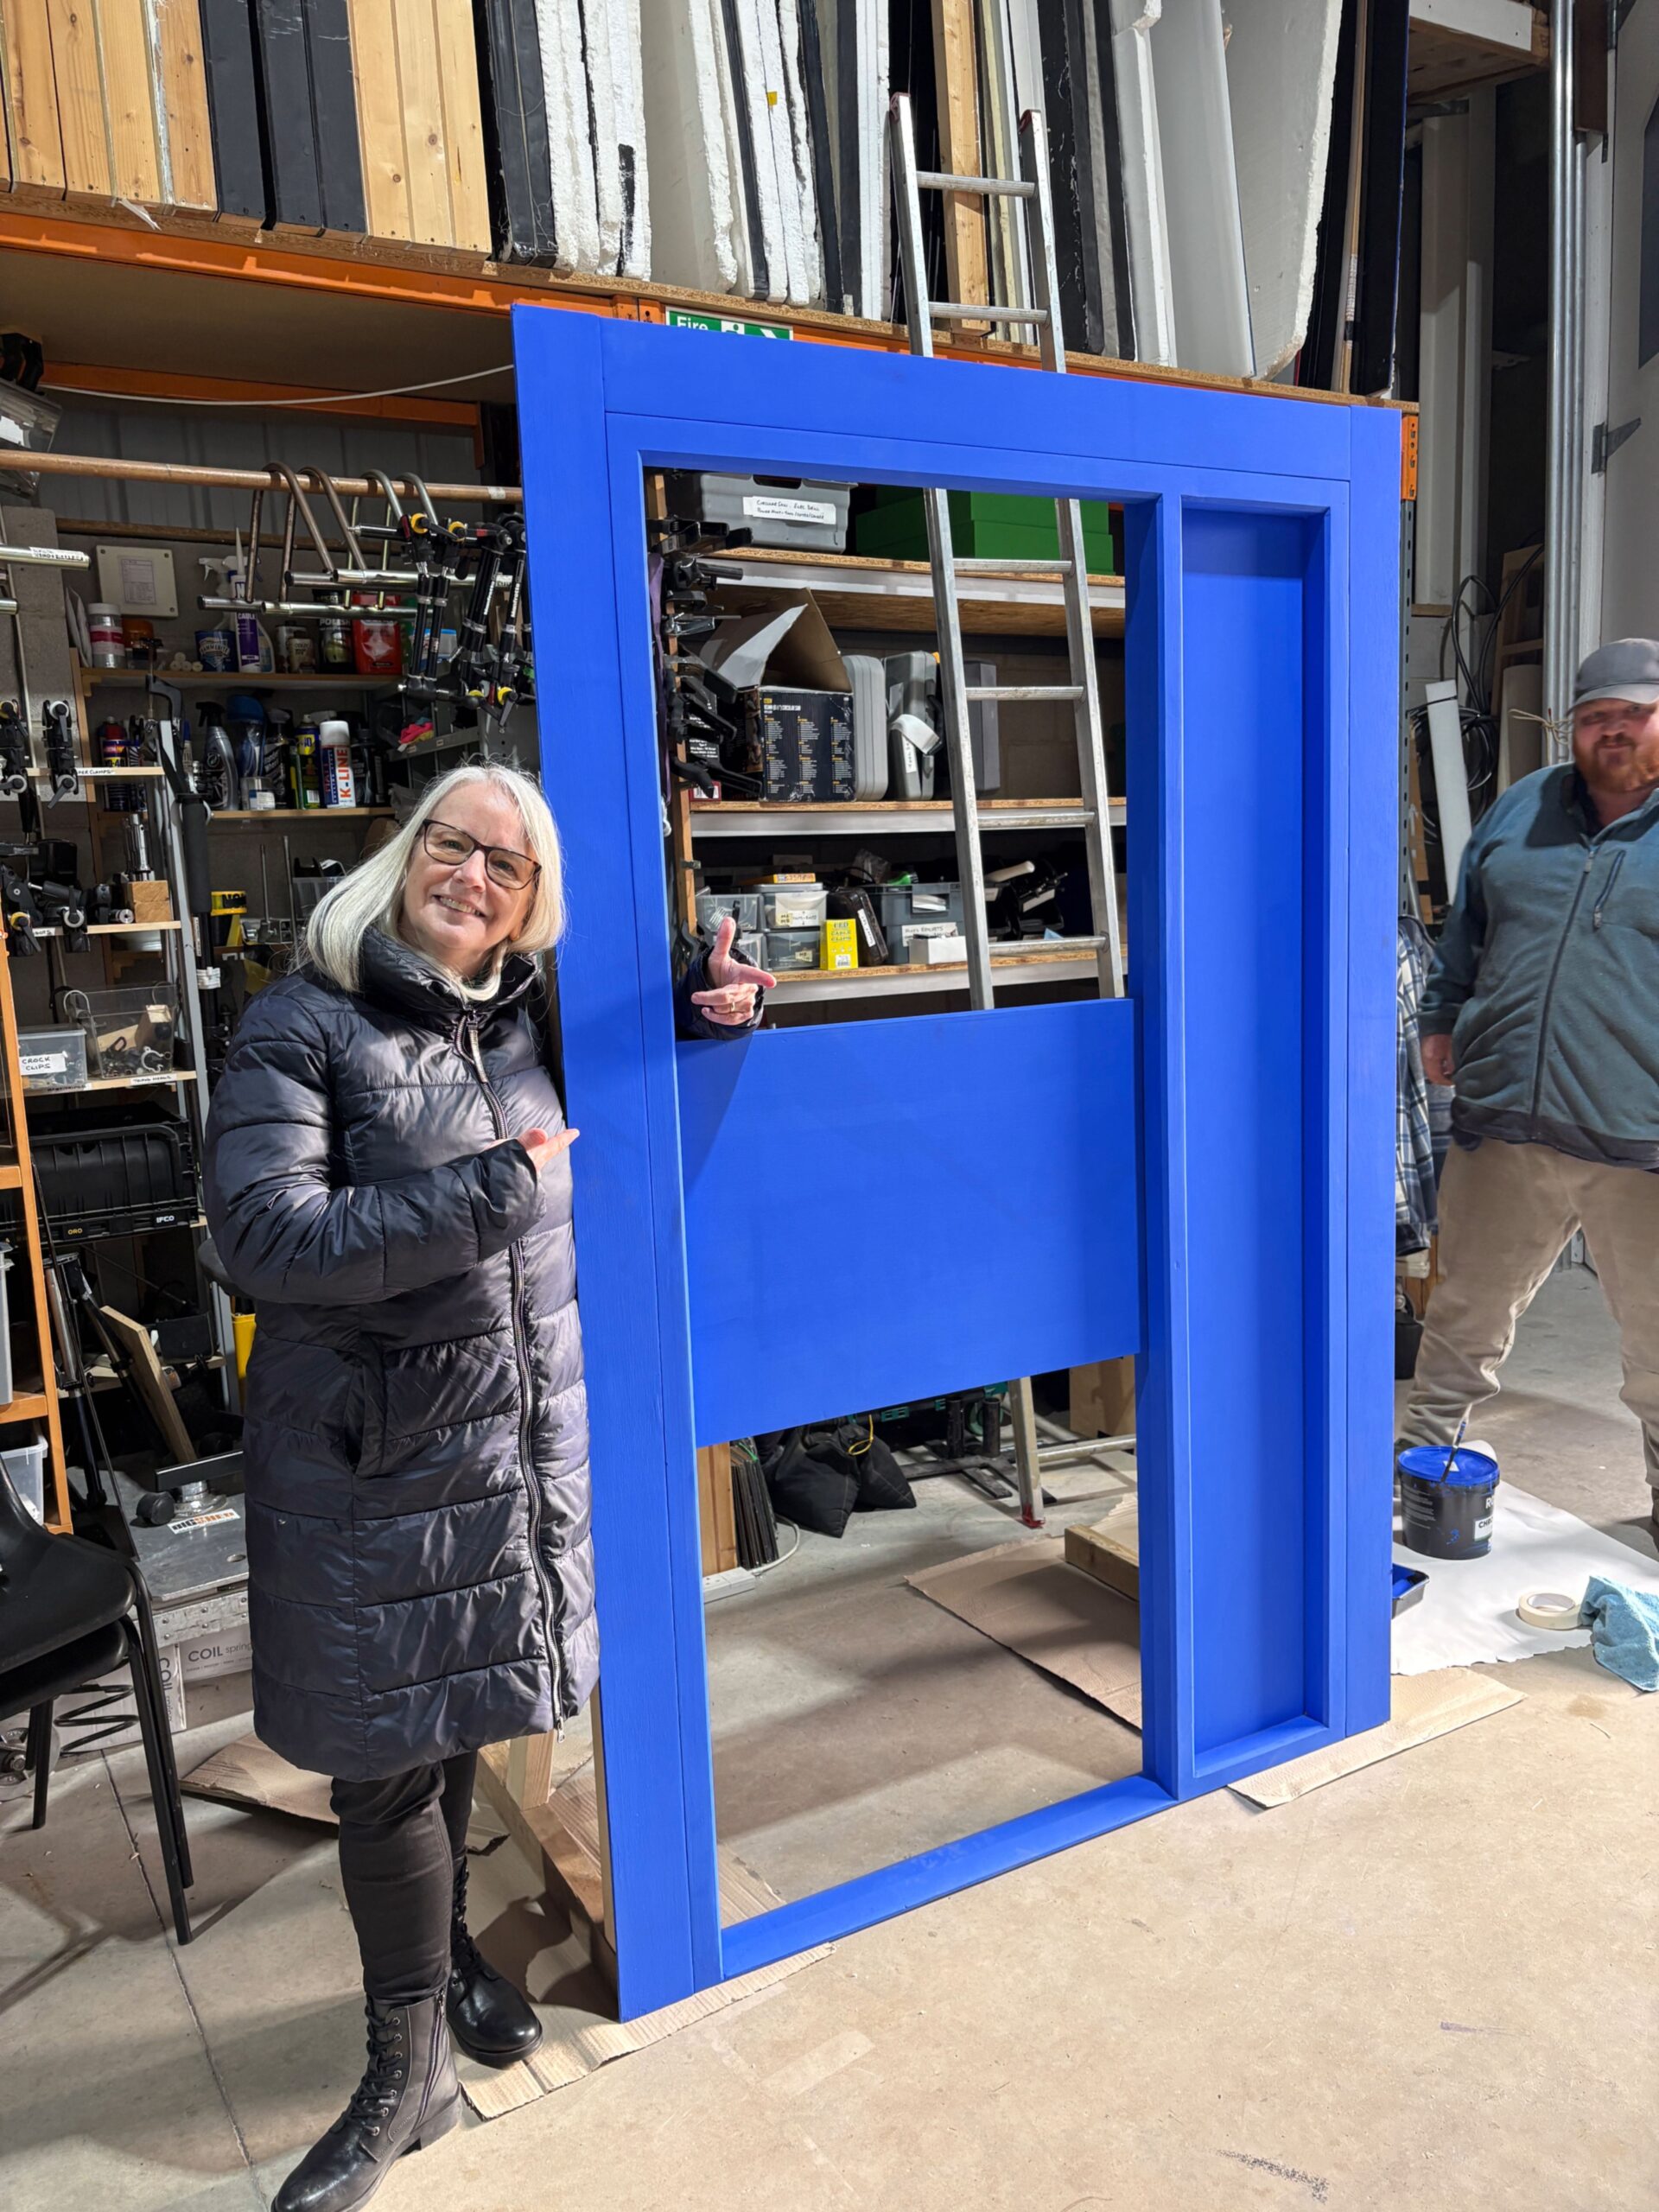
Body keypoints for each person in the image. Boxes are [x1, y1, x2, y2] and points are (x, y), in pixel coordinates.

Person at [204, 763, 771, 2212]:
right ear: (407, 854)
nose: (473, 875)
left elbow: (636, 1090)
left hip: (495, 1447)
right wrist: (484, 1194)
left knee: (448, 1723)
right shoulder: (304, 1019)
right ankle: (407, 2081)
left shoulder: (523, 1019)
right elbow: (264, 1239)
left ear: (533, 902)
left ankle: (441, 1956)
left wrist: (713, 1015)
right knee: (385, 1762)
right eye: (453, 844)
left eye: (505, 866)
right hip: (372, 1459)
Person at [1399, 639, 1659, 1543]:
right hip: (1503, 1125)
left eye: (1632, 715)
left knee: (1657, 1359)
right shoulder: (1521, 810)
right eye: (1595, 718)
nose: (1612, 732)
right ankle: (1423, 1496)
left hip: (1641, 1144)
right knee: (1460, 1326)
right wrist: (1440, 1017)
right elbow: (1464, 931)